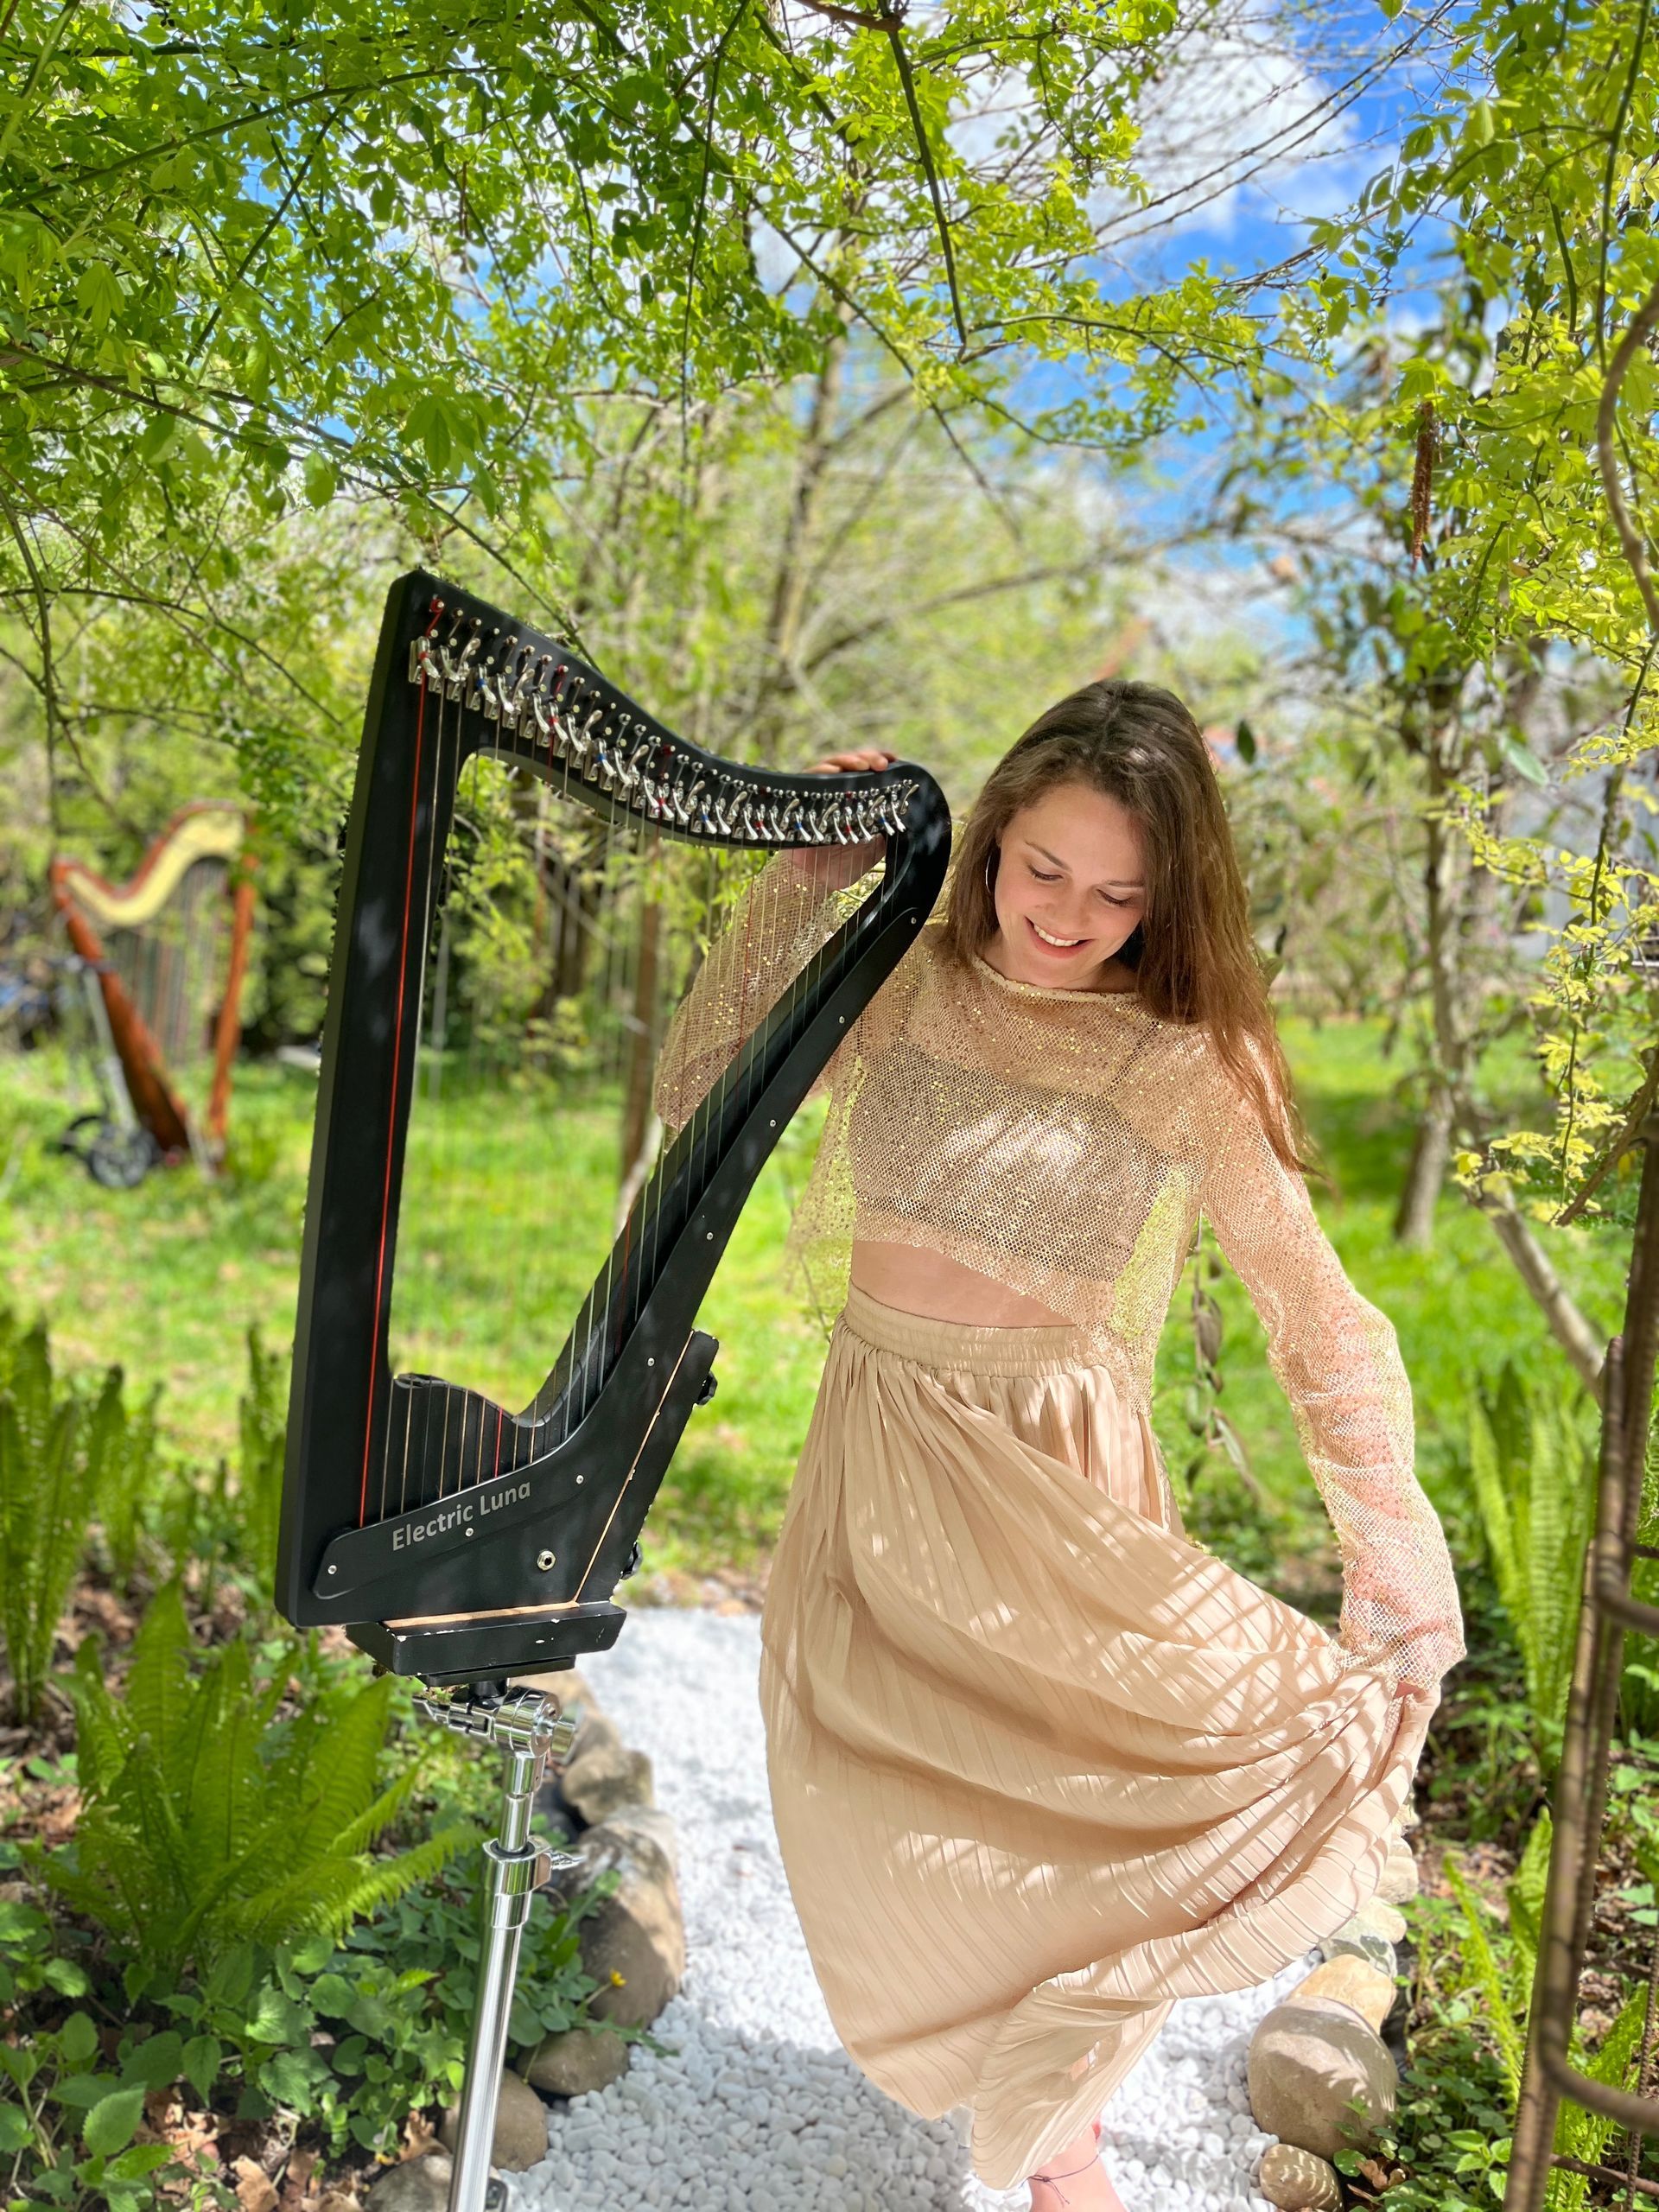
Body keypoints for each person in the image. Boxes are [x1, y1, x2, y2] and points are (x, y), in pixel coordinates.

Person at [654, 679, 1464, 2209]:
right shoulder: (901, 981)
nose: (1068, 917)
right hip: (880, 1439)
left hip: (1051, 1475)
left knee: (1072, 1812)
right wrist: (799, 889)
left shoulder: (1177, 1059)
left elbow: (1318, 1315)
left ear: (1170, 900)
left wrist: (1395, 1555)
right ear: (994, 836)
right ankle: (1021, 2090)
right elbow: (700, 1091)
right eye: (1044, 868)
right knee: (881, 1805)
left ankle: (1060, 2131)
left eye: (1118, 895)